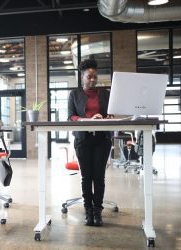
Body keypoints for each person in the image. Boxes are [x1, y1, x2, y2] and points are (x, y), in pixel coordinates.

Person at [68, 58, 112, 227]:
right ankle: (88, 210)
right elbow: (71, 116)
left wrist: (107, 116)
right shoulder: (74, 94)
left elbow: (111, 112)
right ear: (82, 77)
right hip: (83, 139)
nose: (92, 80)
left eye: (95, 77)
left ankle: (97, 211)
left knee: (99, 177)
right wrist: (87, 119)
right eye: (89, 77)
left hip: (102, 139)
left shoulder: (105, 94)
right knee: (86, 177)